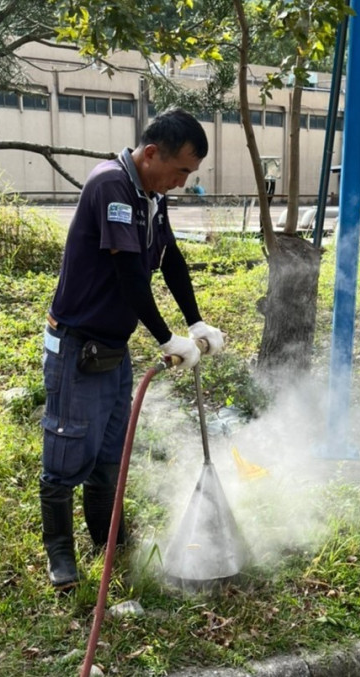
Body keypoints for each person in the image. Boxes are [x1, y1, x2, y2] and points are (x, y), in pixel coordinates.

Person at [39, 108, 225, 591]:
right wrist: (166, 339)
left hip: (114, 346)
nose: (183, 182)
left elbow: (170, 260)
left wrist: (195, 319)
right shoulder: (111, 187)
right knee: (66, 448)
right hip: (77, 345)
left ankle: (110, 540)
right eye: (181, 170)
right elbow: (127, 275)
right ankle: (60, 554)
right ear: (150, 154)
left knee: (108, 451)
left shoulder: (151, 196)